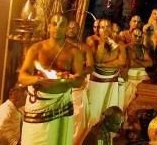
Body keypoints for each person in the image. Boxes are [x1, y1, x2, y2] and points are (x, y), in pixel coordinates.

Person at [18, 13, 84, 145]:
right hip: (39, 104)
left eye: (62, 25)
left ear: (66, 28)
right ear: (49, 27)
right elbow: (22, 77)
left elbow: (79, 81)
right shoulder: (36, 48)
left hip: (62, 103)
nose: (57, 28)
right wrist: (38, 80)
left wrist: (70, 79)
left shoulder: (74, 52)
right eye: (54, 24)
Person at [88, 19, 126, 128]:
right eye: (102, 27)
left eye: (108, 26)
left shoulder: (119, 43)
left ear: (111, 28)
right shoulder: (91, 40)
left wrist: (102, 65)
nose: (105, 29)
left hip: (112, 80)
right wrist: (102, 41)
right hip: (96, 81)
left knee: (109, 109)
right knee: (94, 111)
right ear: (98, 29)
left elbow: (121, 62)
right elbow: (98, 58)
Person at [123, 28, 152, 110]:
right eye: (135, 36)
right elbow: (132, 64)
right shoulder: (127, 48)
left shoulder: (143, 48)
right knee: (128, 104)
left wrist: (136, 60)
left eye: (140, 37)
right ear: (130, 36)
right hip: (131, 78)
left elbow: (150, 63)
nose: (138, 39)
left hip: (143, 78)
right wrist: (143, 62)